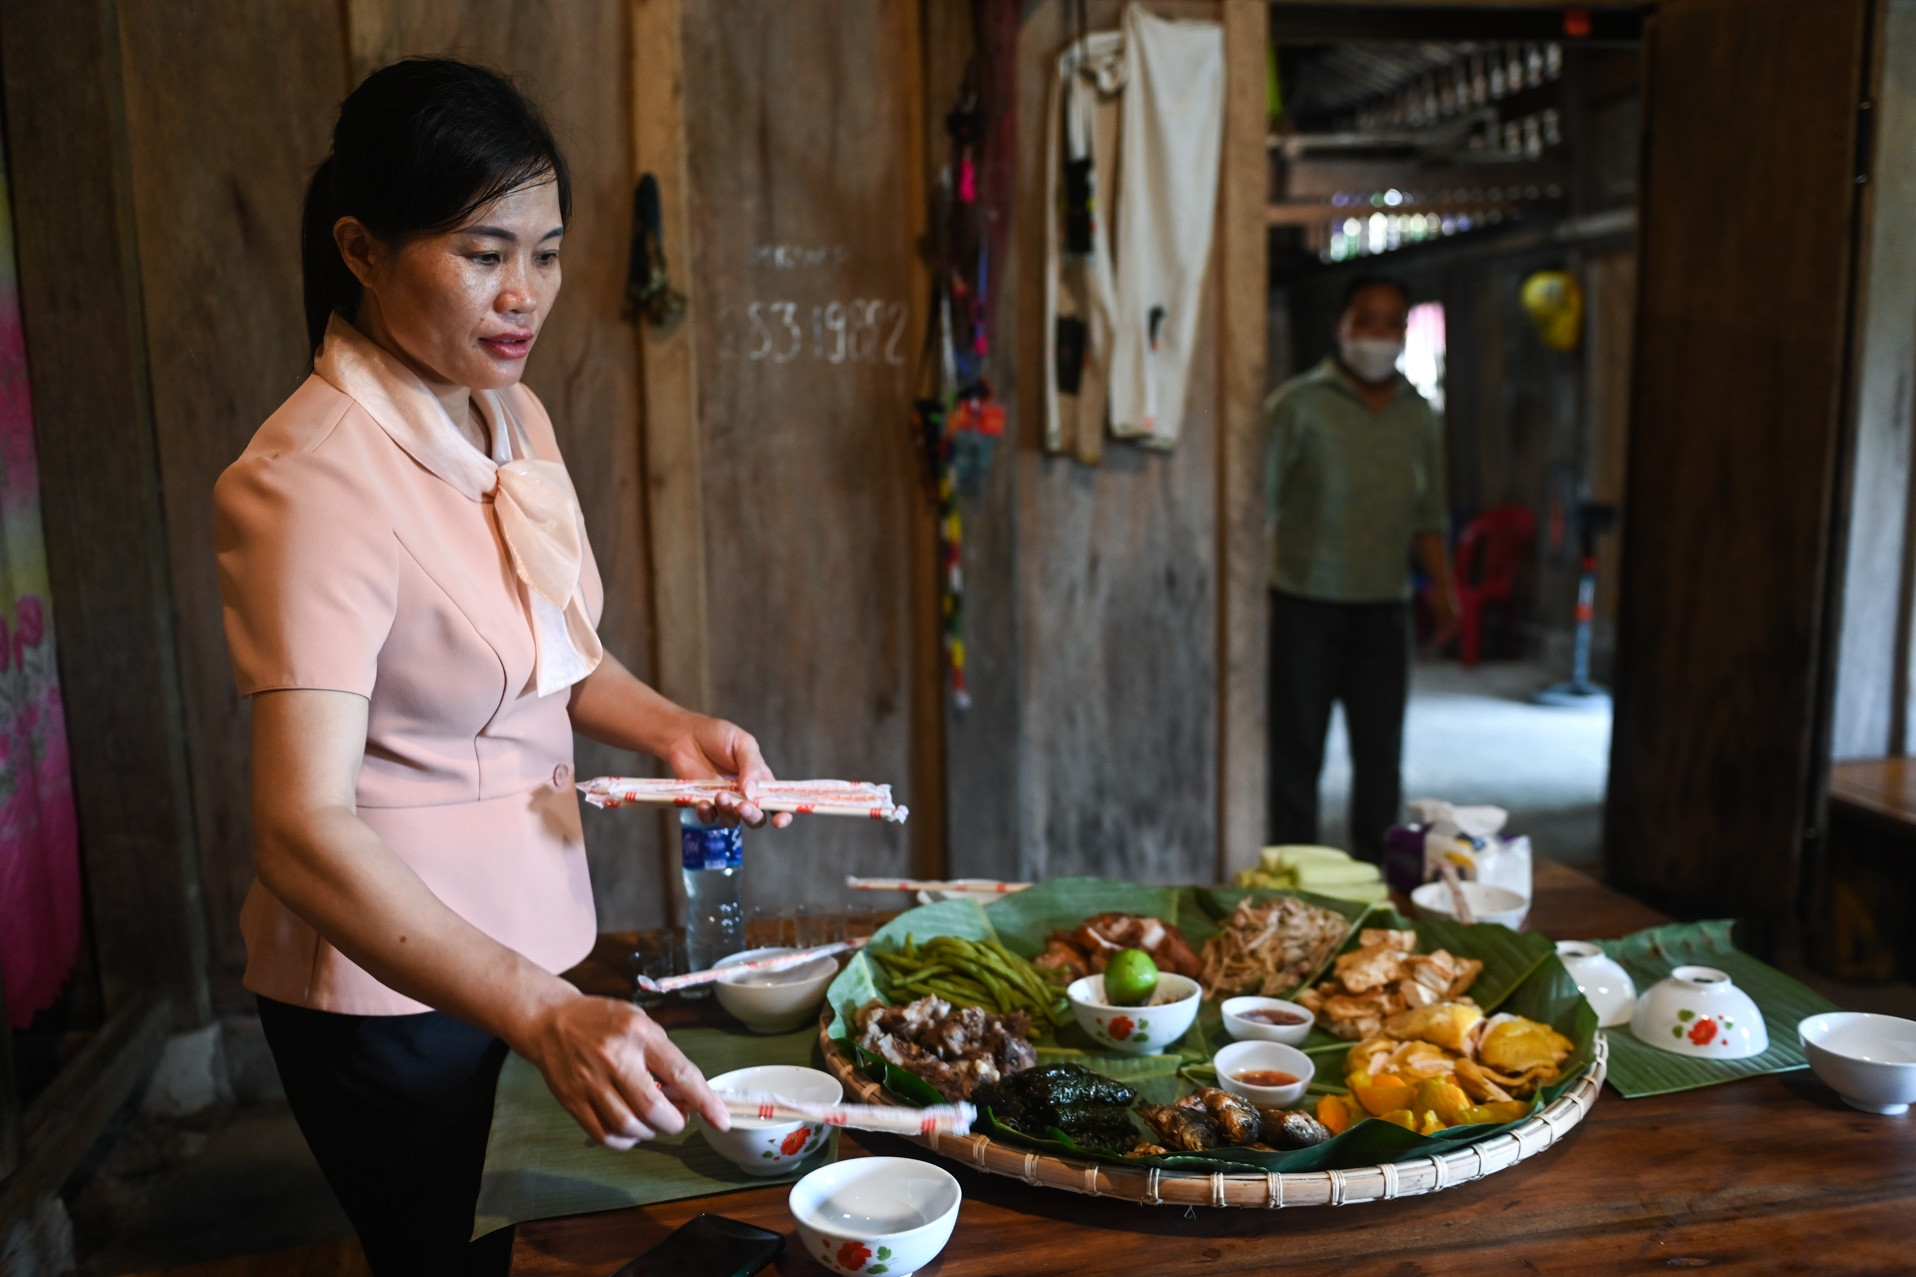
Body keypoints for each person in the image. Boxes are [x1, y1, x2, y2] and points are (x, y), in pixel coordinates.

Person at [213, 60, 790, 1274]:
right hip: (391, 984)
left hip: (537, 940)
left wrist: (671, 725)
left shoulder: (506, 412)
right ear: (362, 250)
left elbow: (551, 659)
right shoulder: (311, 478)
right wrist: (539, 1008)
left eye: (546, 250)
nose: (524, 293)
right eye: (483, 253)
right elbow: (299, 827)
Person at [1264, 275, 1458, 865]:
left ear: (1405, 330)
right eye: (1364, 321)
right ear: (1340, 328)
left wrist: (1447, 594)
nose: (1378, 335)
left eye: (1391, 321)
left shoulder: (1418, 415)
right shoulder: (1297, 406)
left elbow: (1429, 514)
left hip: (1383, 610)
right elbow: (1254, 508)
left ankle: (1375, 882)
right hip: (1304, 603)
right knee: (1297, 753)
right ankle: (1291, 874)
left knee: (1380, 756)